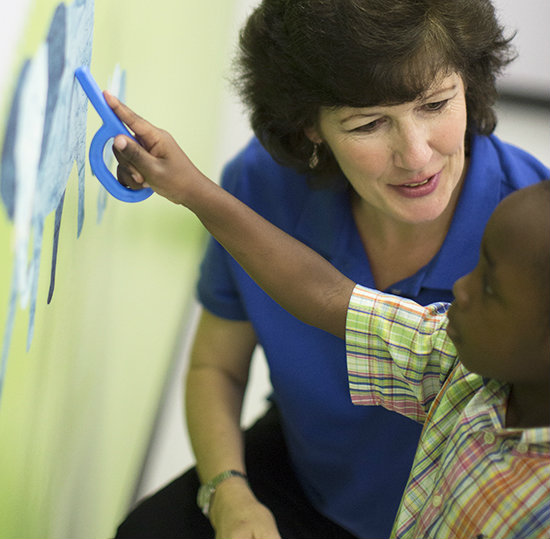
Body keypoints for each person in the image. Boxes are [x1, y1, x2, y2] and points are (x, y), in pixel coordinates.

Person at [112, 1, 550, 538]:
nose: (415, 155)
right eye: (368, 123)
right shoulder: (261, 185)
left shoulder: (534, 240)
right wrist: (229, 495)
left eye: (436, 103)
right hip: (304, 478)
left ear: (469, 83)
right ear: (311, 127)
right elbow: (253, 342)